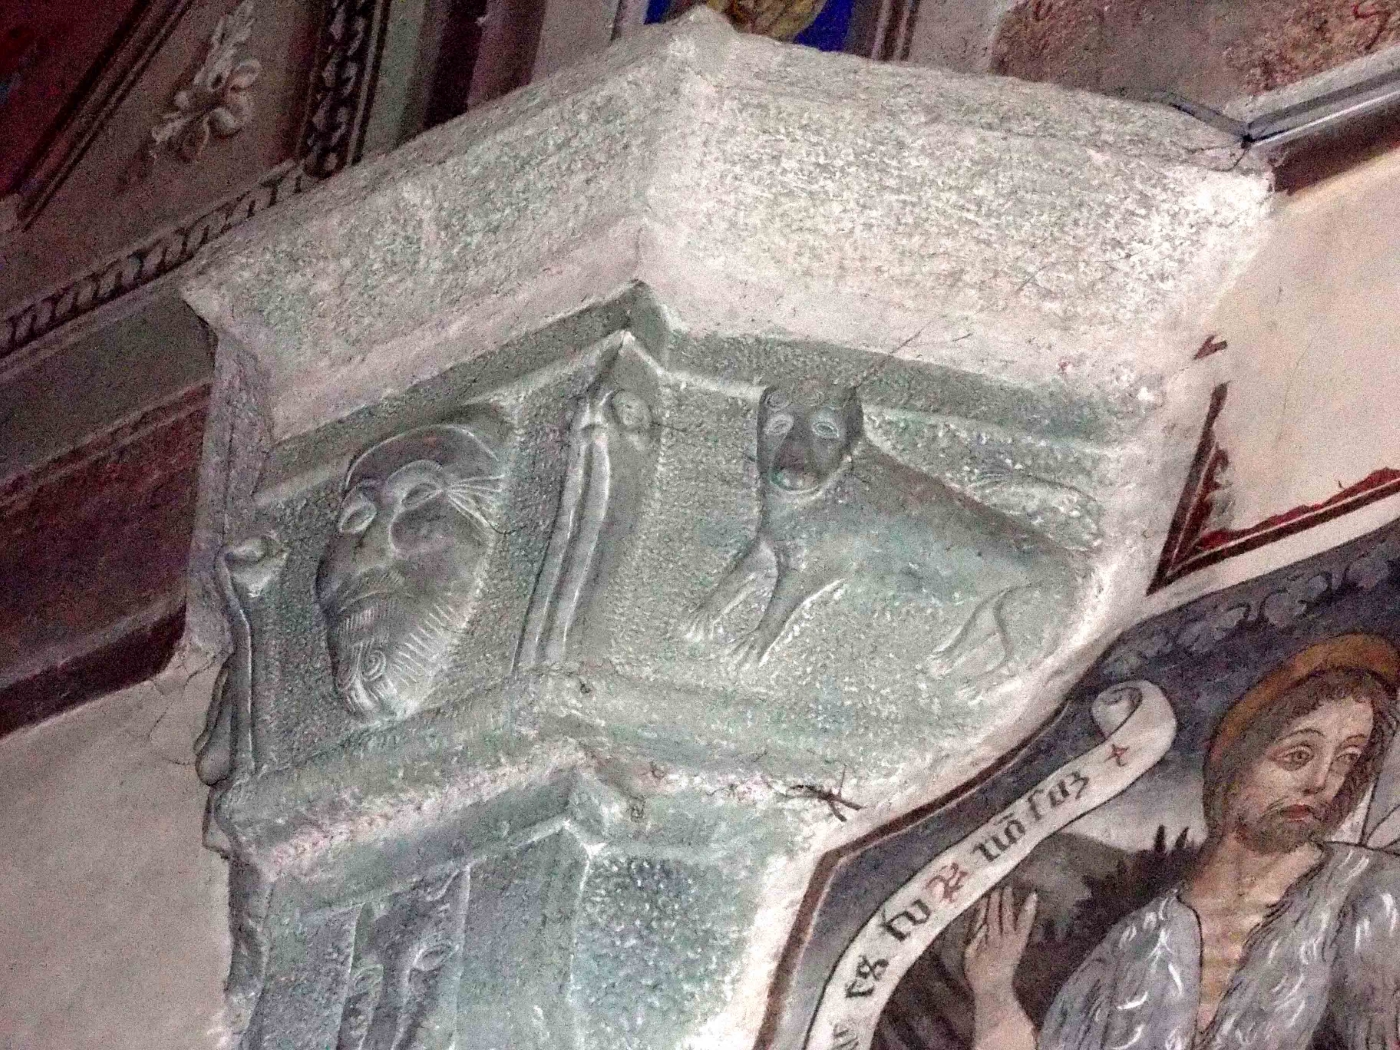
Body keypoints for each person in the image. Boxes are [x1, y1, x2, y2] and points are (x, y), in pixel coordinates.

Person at [963, 634, 1400, 1050]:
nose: (1322, 783)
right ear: (1235, 764)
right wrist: (994, 992)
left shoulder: (1368, 891)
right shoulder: (1138, 939)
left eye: (1347, 760)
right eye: (1297, 756)